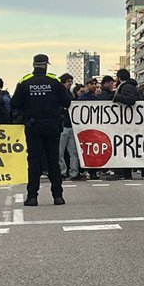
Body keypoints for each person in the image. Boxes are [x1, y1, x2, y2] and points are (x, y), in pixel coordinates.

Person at [9, 54, 71, 206]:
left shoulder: (25, 82)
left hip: (33, 126)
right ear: (46, 65)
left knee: (34, 161)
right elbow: (66, 102)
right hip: (52, 125)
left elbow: (14, 103)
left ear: (33, 65)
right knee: (53, 161)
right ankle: (58, 196)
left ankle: (32, 197)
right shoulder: (55, 82)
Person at [57, 73, 85, 181]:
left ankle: (69, 172)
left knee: (71, 152)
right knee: (65, 152)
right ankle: (68, 172)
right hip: (65, 125)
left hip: (69, 125)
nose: (70, 83)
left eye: (71, 81)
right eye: (68, 81)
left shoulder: (67, 93)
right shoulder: (65, 94)